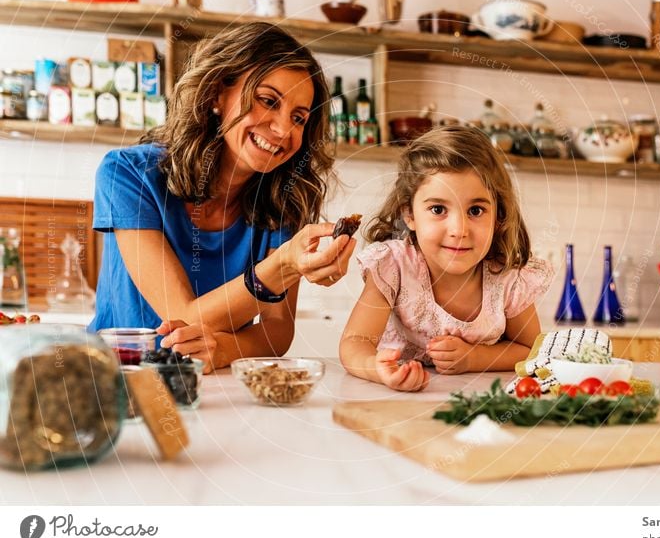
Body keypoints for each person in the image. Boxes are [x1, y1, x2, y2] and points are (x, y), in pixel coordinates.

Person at [89, 22, 356, 371]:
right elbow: (182, 316)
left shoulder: (285, 202)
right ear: (217, 93)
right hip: (117, 379)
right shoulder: (128, 175)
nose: (283, 130)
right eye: (267, 101)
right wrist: (283, 266)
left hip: (219, 385)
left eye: (299, 118)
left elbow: (277, 329)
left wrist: (227, 349)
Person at [340, 125, 552, 392]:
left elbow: (533, 351)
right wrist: (377, 369)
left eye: (476, 210)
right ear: (410, 215)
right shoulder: (394, 266)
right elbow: (354, 341)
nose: (459, 230)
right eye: (438, 209)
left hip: (478, 404)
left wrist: (474, 358)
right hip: (396, 404)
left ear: (498, 217)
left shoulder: (507, 278)